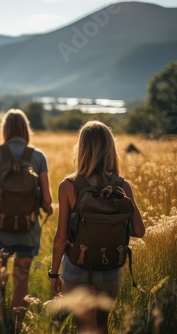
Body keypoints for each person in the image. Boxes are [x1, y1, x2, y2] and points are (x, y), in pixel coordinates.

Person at [49, 120, 145, 334]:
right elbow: (139, 231)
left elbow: (61, 238)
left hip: (76, 264)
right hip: (110, 264)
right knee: (101, 325)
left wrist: (54, 274)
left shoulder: (68, 186)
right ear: (111, 149)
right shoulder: (122, 186)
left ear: (81, 149)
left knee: (84, 326)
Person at [0, 109, 53, 328]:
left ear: (5, 129)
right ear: (26, 129)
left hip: (0, 227)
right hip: (28, 230)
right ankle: (17, 324)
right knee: (22, 277)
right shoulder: (38, 156)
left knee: (0, 265)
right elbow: (47, 198)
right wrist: (48, 208)